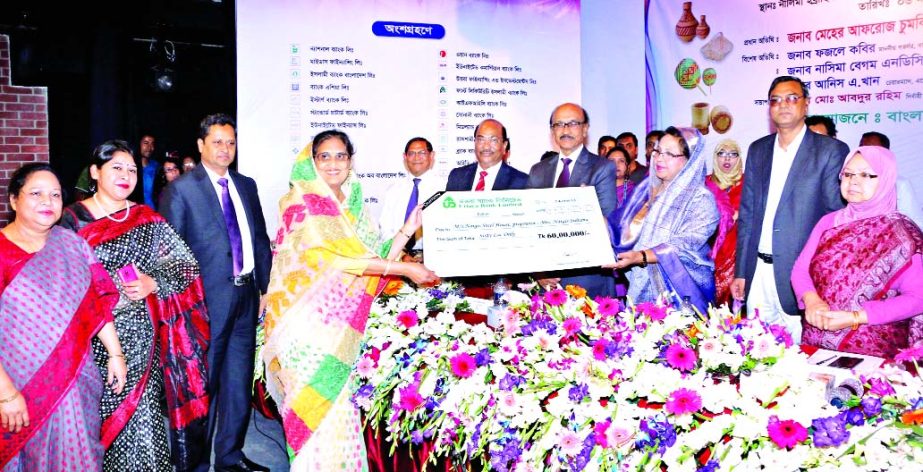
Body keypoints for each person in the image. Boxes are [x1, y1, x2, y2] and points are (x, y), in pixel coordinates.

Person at [260, 130, 438, 471]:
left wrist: (408, 228)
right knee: (313, 419)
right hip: (305, 329)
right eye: (324, 156)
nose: (333, 163)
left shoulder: (353, 208)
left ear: (350, 161)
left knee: (340, 417)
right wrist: (405, 269)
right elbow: (337, 260)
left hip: (341, 332)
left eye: (340, 156)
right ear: (311, 162)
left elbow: (373, 258)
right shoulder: (301, 205)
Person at [59, 140, 210, 472]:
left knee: (143, 421)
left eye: (131, 169)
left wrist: (152, 283)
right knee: (94, 423)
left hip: (142, 339)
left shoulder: (146, 218)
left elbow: (186, 267)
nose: (126, 175)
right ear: (95, 172)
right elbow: (61, 284)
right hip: (90, 339)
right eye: (116, 168)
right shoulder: (70, 222)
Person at [160, 114, 273, 472]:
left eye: (231, 142)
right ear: (201, 145)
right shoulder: (181, 190)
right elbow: (170, 254)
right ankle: (195, 464)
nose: (225, 149)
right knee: (202, 388)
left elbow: (258, 239)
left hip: (246, 298)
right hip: (203, 305)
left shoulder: (246, 184)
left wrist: (266, 289)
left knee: (238, 385)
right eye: (218, 142)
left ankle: (229, 457)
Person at [0, 163, 127, 470]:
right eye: (36, 193)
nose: (48, 201)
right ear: (14, 200)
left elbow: (96, 304)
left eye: (56, 194)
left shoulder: (72, 244)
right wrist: (5, 394)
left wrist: (115, 353)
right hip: (19, 386)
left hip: (75, 380)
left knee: (79, 456)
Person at [732, 76, 849, 342]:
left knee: (800, 362)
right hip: (758, 271)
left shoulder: (830, 151)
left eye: (791, 98)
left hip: (801, 275)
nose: (783, 105)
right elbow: (748, 214)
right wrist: (741, 271)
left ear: (806, 105)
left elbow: (835, 220)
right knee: (755, 351)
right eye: (775, 100)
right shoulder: (758, 150)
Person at [793, 146, 923, 358]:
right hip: (817, 342)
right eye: (848, 173)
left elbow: (918, 297)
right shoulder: (829, 222)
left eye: (866, 175)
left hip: (872, 350)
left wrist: (856, 317)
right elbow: (800, 270)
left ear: (886, 180)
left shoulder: (901, 235)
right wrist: (812, 301)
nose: (853, 181)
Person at [607, 127, 719, 312]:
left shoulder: (700, 199)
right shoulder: (645, 190)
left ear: (689, 161)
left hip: (683, 293)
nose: (658, 158)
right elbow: (616, 227)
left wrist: (641, 256)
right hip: (640, 287)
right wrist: (588, 208)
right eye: (658, 151)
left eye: (669, 154)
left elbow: (685, 243)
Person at [527, 103, 617, 298]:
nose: (565, 130)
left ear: (585, 129)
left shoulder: (602, 168)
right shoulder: (538, 170)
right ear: (552, 131)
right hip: (547, 282)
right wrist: (539, 272)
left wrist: (585, 207)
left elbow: (607, 224)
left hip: (587, 280)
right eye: (558, 124)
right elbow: (530, 226)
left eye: (573, 123)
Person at [377, 137, 445, 259]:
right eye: (411, 153)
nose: (416, 157)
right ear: (405, 157)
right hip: (398, 259)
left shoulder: (444, 189)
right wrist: (401, 255)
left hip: (435, 259)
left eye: (422, 153)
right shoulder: (393, 190)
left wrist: (430, 256)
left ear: (432, 155)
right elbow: (385, 229)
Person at [705, 139, 744, 306]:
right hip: (709, 251)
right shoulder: (705, 183)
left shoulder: (747, 183)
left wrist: (739, 214)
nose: (727, 159)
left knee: (734, 305)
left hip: (737, 251)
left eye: (732, 154)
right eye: (722, 154)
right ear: (715, 157)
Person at [859, 131, 923, 228]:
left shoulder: (899, 184)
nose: (867, 153)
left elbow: (914, 221)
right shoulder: (852, 181)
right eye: (863, 148)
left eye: (873, 149)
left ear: (886, 153)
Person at [446, 119, 528, 191]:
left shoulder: (522, 181)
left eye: (494, 140)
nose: (486, 146)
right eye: (481, 139)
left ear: (504, 145)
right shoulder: (457, 176)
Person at [606, 146, 635, 211]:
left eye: (621, 161)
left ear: (628, 166)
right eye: (611, 160)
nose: (616, 164)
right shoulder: (598, 190)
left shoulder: (635, 191)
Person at [139, 133, 158, 208]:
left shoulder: (157, 167)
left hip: (154, 213)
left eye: (152, 144)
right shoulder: (131, 167)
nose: (149, 147)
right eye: (146, 143)